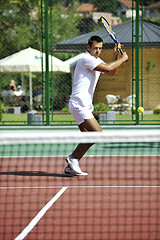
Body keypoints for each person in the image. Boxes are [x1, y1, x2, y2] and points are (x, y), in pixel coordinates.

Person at [64, 35, 128, 176]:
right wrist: (122, 59)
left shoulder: (96, 60)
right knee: (97, 133)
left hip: (83, 105)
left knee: (89, 136)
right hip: (78, 104)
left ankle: (71, 164)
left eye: (100, 48)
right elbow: (107, 68)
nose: (98, 51)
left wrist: (115, 55)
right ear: (88, 47)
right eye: (95, 48)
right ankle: (72, 158)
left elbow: (112, 72)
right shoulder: (86, 59)